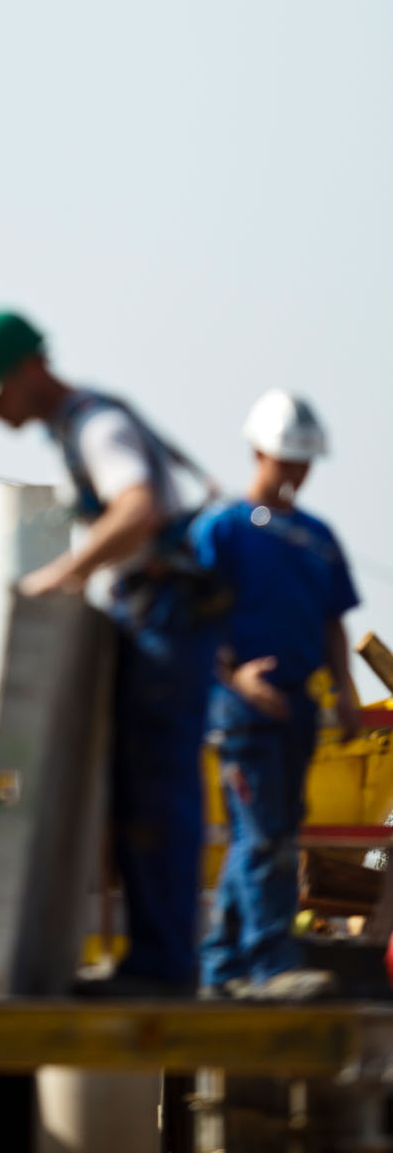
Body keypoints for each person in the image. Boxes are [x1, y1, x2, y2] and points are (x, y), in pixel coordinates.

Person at [0, 307, 225, 992]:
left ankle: (162, 966)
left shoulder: (97, 427)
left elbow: (139, 510)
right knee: (140, 795)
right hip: (150, 614)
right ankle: (154, 959)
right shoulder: (77, 429)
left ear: (27, 371)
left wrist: (64, 574)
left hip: (160, 613)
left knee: (156, 794)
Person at [192, 391, 359, 997]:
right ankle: (270, 964)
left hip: (297, 703)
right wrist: (234, 678)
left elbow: (333, 619)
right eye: (287, 459)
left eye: (304, 462)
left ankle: (222, 965)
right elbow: (196, 615)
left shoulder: (314, 537)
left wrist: (344, 689)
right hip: (242, 707)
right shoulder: (223, 531)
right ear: (259, 452)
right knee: (263, 835)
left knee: (274, 830)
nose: (296, 473)